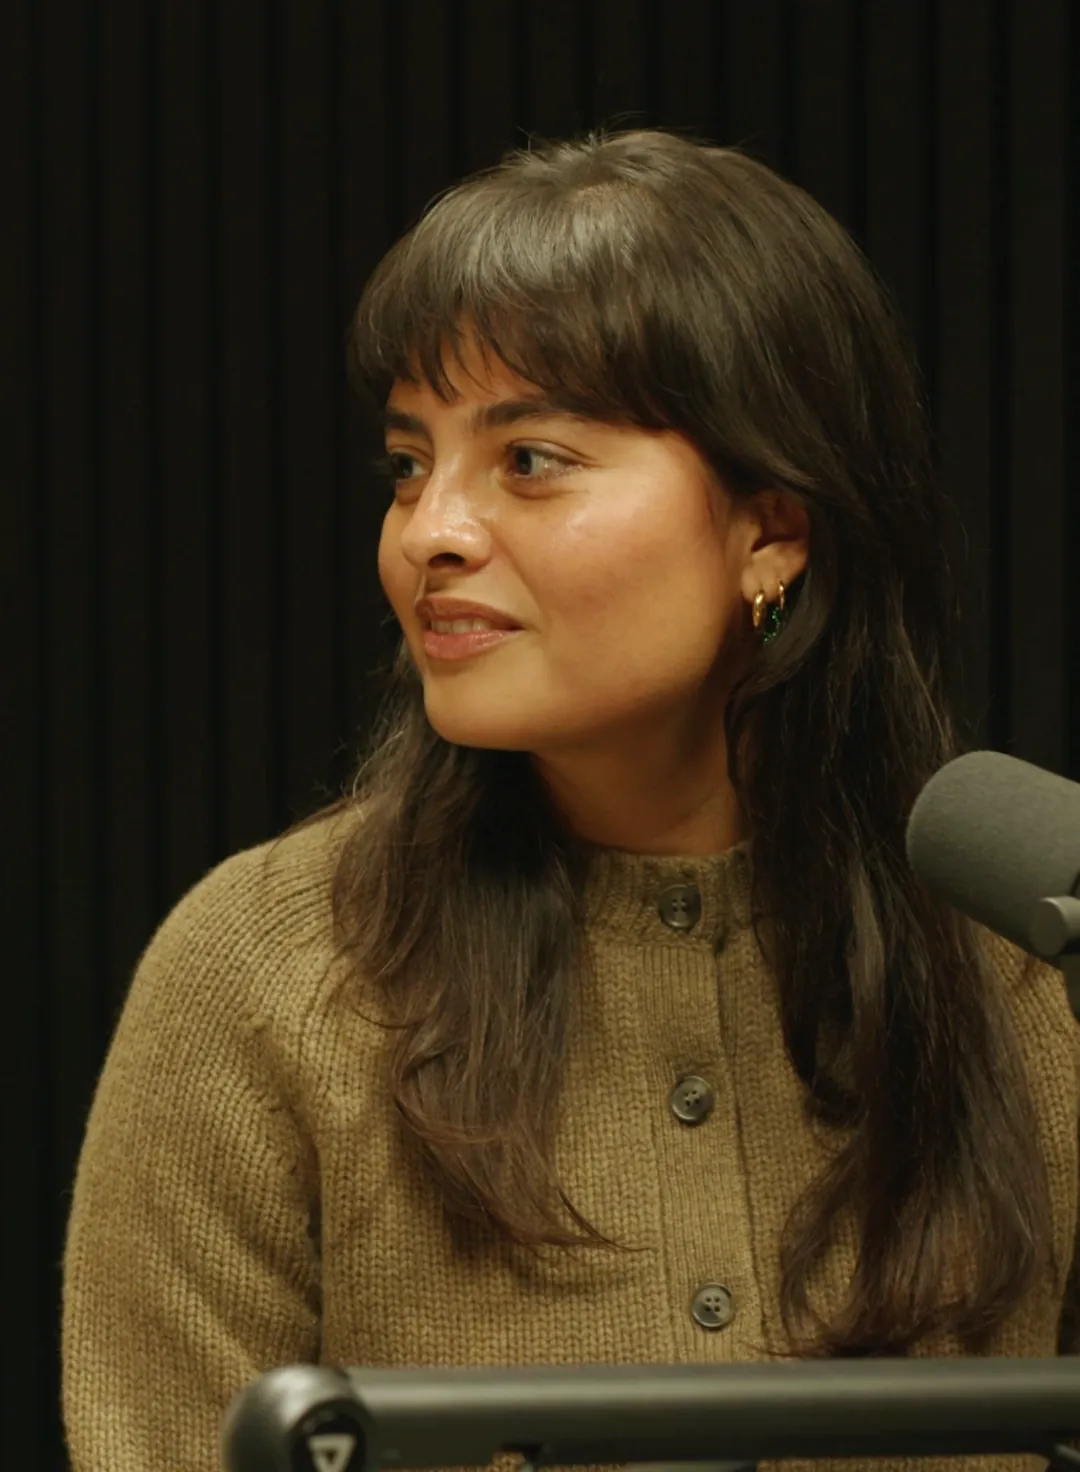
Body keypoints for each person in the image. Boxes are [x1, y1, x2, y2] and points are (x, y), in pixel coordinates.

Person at [61, 127, 1080, 1472]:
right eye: (409, 465)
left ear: (770, 529)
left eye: (529, 459)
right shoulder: (265, 973)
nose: (432, 532)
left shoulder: (1012, 965)